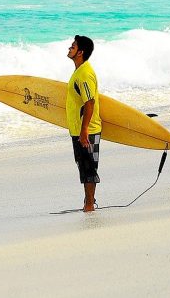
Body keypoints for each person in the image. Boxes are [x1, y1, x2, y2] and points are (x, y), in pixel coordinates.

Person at [66, 35, 101, 212]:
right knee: (83, 165)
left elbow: (90, 102)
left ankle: (89, 205)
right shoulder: (79, 71)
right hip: (78, 129)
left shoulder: (85, 74)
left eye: (73, 46)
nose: (69, 48)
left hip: (87, 130)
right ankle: (88, 202)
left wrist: (84, 130)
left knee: (88, 167)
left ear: (80, 52)